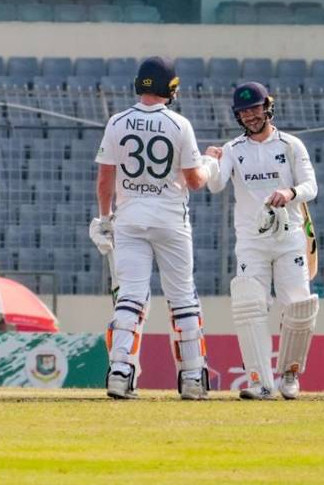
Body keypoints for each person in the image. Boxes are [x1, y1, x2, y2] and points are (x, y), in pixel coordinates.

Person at [89, 57, 219, 400]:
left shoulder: (117, 122)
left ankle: (120, 372)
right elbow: (194, 181)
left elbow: (105, 178)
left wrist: (105, 219)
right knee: (182, 298)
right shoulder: (179, 125)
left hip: (130, 219)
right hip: (171, 221)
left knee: (130, 297)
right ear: (170, 88)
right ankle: (192, 378)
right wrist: (209, 162)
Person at [205, 82, 319, 399]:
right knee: (249, 305)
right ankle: (259, 381)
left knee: (297, 305)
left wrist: (290, 192)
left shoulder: (291, 145)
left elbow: (311, 186)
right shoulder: (233, 149)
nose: (250, 116)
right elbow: (214, 185)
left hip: (289, 238)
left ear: (267, 106)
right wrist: (210, 161)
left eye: (255, 108)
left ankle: (290, 375)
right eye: (243, 112)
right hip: (252, 241)